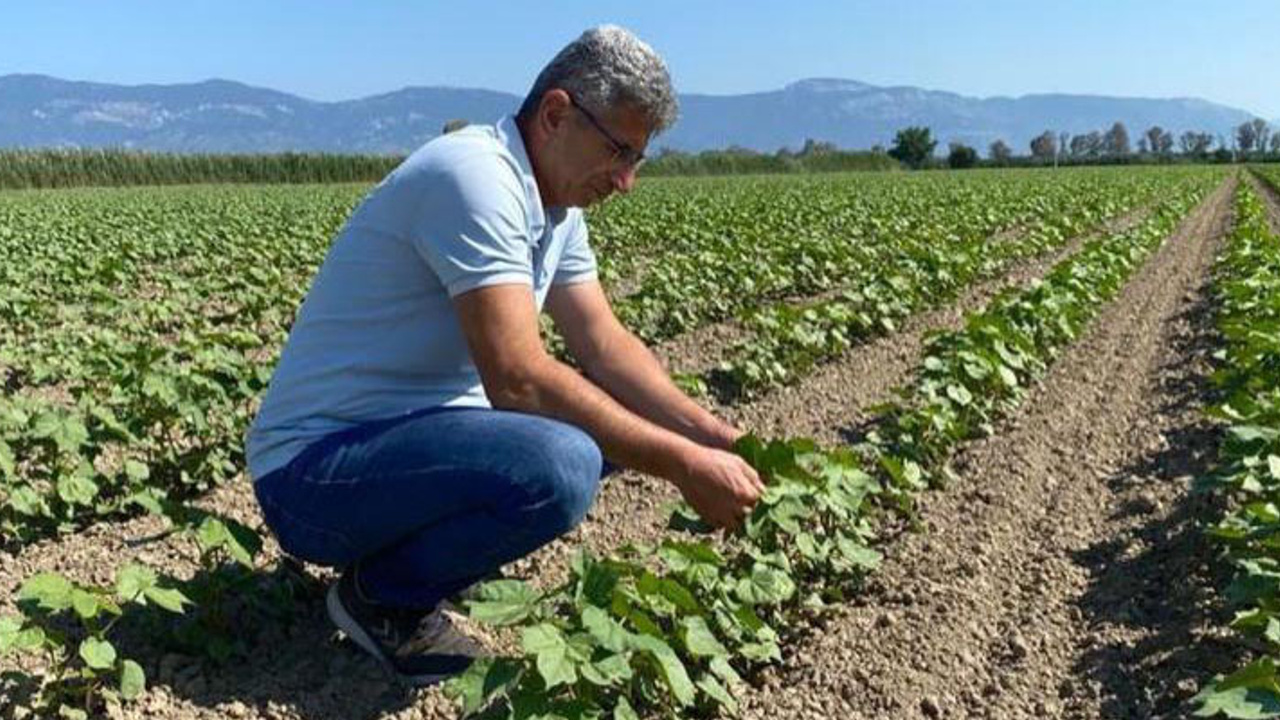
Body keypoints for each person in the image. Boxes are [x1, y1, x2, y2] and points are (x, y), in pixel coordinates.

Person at [246, 25, 763, 687]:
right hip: (314, 476)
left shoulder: (556, 207)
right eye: (620, 151)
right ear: (555, 114)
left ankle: (419, 560)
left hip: (398, 448)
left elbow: (605, 346)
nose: (628, 181)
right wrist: (682, 464)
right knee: (565, 457)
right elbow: (518, 379)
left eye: (640, 159)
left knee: (606, 424)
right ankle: (381, 597)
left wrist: (716, 437)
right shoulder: (475, 178)